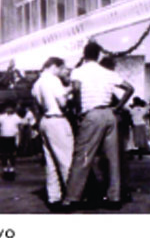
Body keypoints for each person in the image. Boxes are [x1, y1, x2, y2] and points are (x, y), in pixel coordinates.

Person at [62, 42, 133, 209]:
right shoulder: (108, 73)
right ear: (99, 55)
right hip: (109, 114)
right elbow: (130, 88)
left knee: (83, 156)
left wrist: (78, 110)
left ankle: (72, 198)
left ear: (84, 54)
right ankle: (114, 197)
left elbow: (77, 90)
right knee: (112, 157)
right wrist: (118, 107)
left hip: (91, 114)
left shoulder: (79, 71)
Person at [31, 57, 74, 209]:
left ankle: (53, 197)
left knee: (51, 163)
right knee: (66, 160)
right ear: (55, 67)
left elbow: (38, 105)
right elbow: (62, 102)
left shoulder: (37, 83)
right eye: (63, 69)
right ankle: (71, 197)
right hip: (57, 120)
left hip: (45, 121)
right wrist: (71, 89)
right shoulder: (53, 80)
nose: (64, 72)